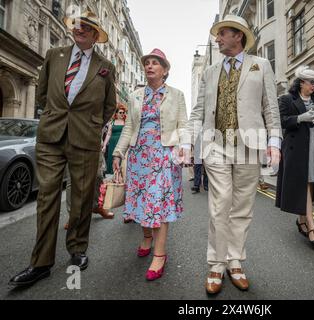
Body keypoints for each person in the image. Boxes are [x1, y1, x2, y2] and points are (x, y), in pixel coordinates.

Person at [9, 11, 116, 287]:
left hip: (85, 139)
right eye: (77, 25)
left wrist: (90, 125)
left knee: (81, 199)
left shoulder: (105, 66)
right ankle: (41, 262)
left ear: (95, 35)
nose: (80, 29)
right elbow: (43, 93)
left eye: (87, 27)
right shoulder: (54, 56)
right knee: (46, 198)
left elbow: (109, 106)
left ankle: (77, 249)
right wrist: (55, 116)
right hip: (51, 136)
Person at [186, 15, 281, 295]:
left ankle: (235, 260)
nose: (217, 39)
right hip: (216, 145)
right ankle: (216, 264)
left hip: (250, 146)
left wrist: (274, 142)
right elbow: (199, 110)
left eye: (222, 34)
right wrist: (187, 141)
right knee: (220, 205)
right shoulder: (211, 70)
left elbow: (270, 108)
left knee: (241, 208)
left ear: (237, 36)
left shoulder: (260, 65)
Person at [113, 48, 189, 281]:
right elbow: (128, 127)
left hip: (164, 154)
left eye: (155, 63)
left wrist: (185, 146)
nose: (149, 66)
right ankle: (146, 236)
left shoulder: (176, 95)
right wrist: (118, 153)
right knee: (140, 200)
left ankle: (159, 254)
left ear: (164, 70)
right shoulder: (135, 95)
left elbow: (183, 124)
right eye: (147, 62)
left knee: (158, 203)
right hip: (138, 155)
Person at [276, 66, 314, 247]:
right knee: (305, 183)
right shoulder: (287, 99)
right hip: (296, 148)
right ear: (301, 83)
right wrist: (301, 118)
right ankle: (311, 224)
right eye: (311, 82)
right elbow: (282, 121)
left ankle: (302, 220)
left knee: (311, 182)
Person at [103, 104, 127, 174]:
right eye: (120, 112)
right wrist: (104, 145)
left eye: (123, 112)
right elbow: (108, 134)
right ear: (116, 113)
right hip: (112, 143)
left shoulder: (125, 122)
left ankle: (120, 173)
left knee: (120, 159)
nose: (122, 114)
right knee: (112, 157)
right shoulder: (112, 123)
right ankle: (112, 174)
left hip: (121, 143)